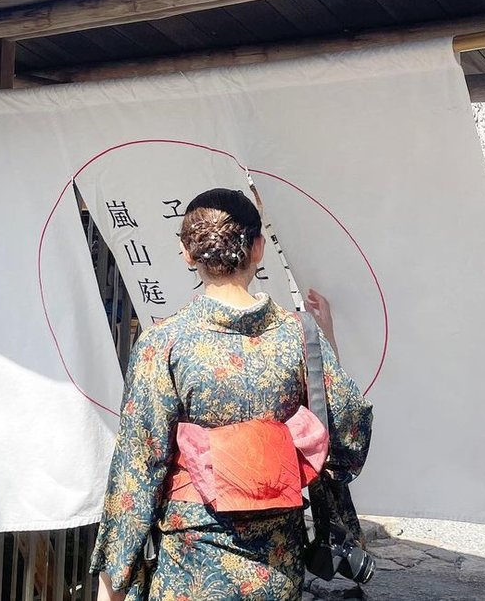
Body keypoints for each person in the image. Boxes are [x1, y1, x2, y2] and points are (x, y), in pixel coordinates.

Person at [90, 188, 373, 601]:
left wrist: (112, 585)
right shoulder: (298, 336)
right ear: (258, 248)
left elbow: (139, 468)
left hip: (192, 560)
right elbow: (347, 442)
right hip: (276, 561)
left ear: (187, 254)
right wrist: (323, 340)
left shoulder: (164, 343)